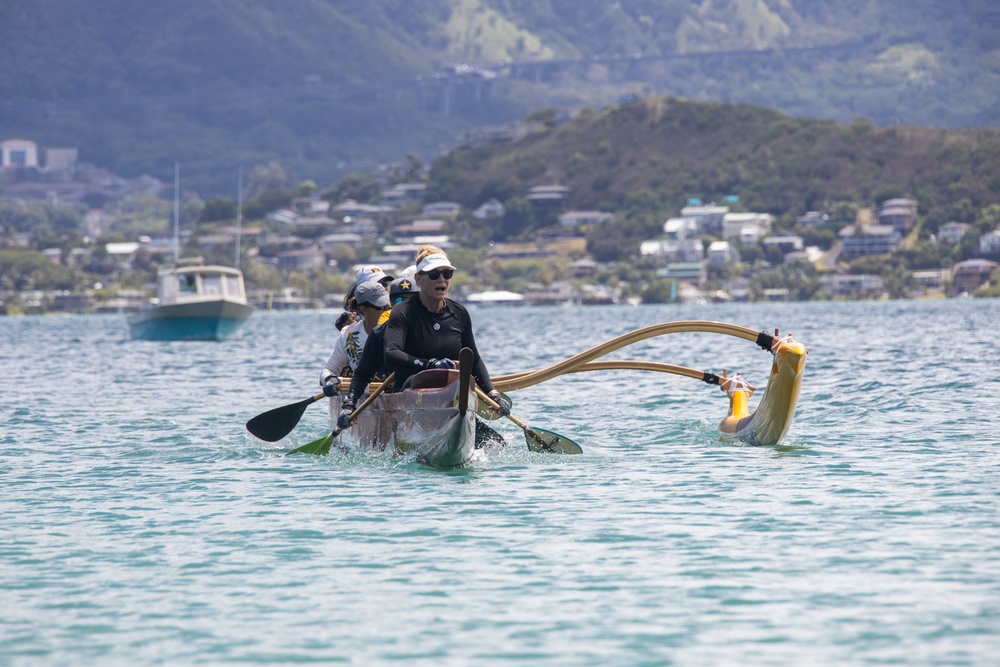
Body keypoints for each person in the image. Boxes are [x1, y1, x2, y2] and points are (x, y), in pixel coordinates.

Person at [383, 245, 510, 414]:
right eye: (434, 274)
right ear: (419, 279)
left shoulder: (459, 313)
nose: (441, 279)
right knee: (438, 382)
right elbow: (391, 354)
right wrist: (431, 365)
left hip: (452, 392)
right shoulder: (403, 312)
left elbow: (474, 359)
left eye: (447, 274)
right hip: (410, 391)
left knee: (498, 442)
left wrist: (492, 393)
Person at [336, 275, 420, 428]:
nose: (408, 306)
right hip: (395, 390)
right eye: (400, 301)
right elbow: (362, 375)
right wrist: (349, 404)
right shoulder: (378, 333)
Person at [319, 280, 390, 396]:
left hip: (392, 391)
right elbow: (327, 370)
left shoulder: (398, 330)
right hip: (361, 394)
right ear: (363, 309)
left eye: (388, 306)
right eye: (381, 307)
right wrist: (329, 380)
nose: (387, 311)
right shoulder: (348, 334)